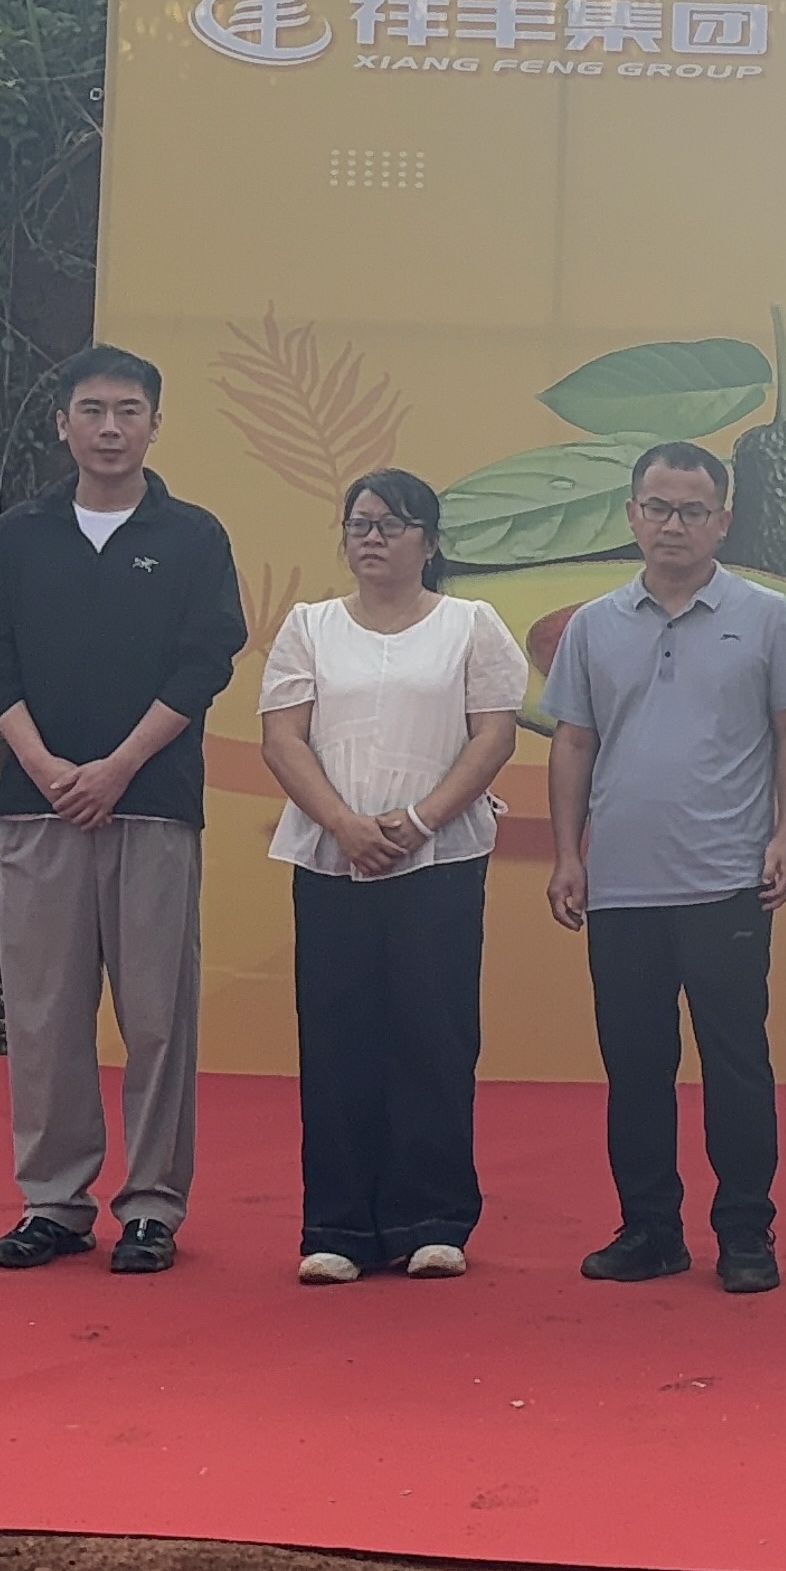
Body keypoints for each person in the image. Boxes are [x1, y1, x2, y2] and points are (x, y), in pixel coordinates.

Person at [0, 344, 246, 1277]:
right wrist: (47, 766)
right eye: (92, 411)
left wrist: (120, 767)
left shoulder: (194, 537)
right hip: (39, 806)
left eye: (129, 411)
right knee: (45, 1015)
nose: (111, 428)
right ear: (62, 424)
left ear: (156, 424)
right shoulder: (20, 535)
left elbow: (205, 662)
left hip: (152, 804)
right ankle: (53, 1202)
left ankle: (153, 1205)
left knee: (158, 1017)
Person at [542, 442, 786, 1295]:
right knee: (636, 1068)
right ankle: (649, 1230)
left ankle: (745, 1232)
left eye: (693, 511)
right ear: (631, 516)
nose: (674, 525)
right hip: (621, 883)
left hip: (727, 878)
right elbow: (574, 742)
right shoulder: (593, 625)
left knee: (736, 1063)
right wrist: (567, 854)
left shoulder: (768, 616)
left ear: (723, 521)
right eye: (658, 508)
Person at [256, 469, 529, 1284]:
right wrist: (343, 825)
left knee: (433, 1034)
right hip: (331, 857)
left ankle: (432, 1220)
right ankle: (337, 1226)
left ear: (431, 543)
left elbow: (493, 736)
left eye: (394, 524)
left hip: (439, 859)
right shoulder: (309, 627)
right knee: (337, 1036)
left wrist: (420, 820)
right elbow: (283, 739)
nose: (373, 538)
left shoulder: (470, 625)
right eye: (360, 523)